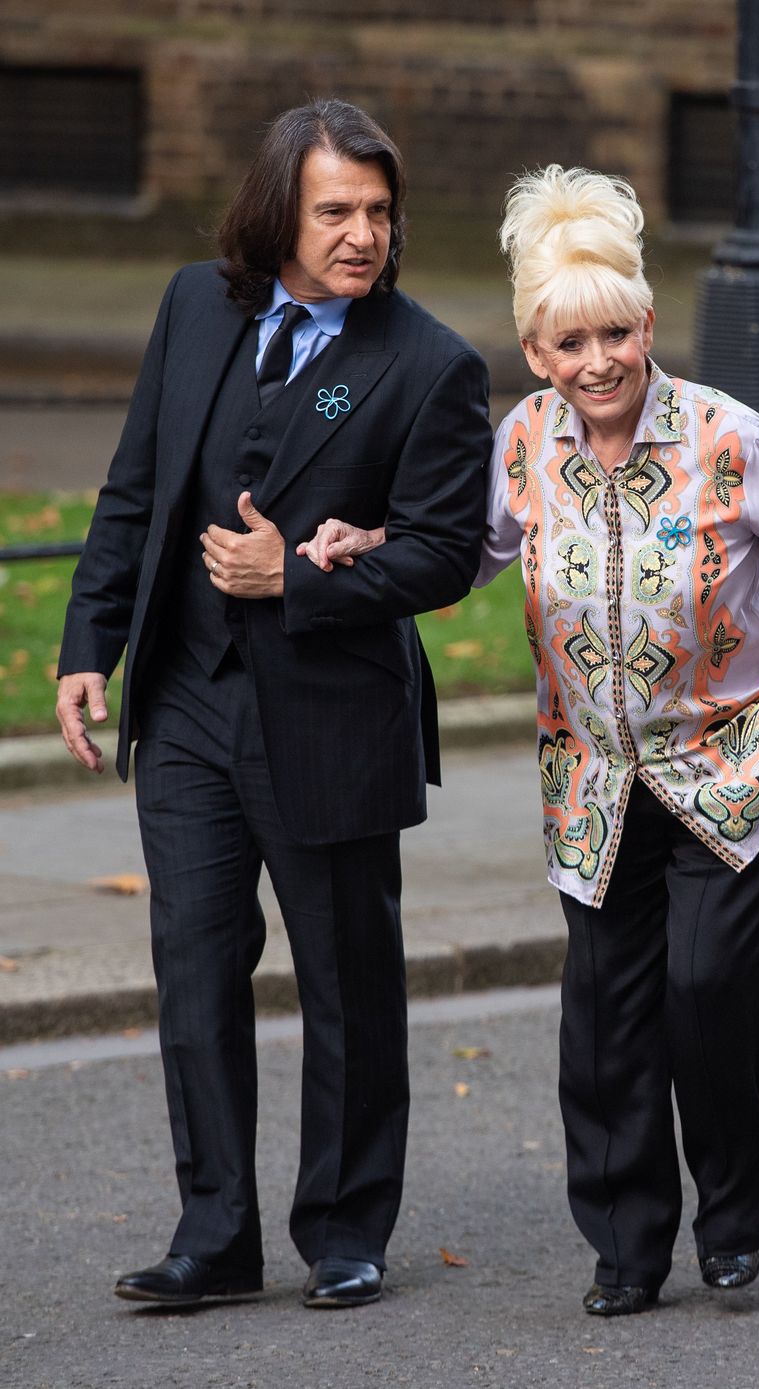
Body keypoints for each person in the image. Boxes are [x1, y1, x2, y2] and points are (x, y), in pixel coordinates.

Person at [305, 163, 759, 1315]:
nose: (596, 362)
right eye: (568, 345)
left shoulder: (730, 438)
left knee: (706, 991)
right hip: (594, 779)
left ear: (646, 325)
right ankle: (625, 1246)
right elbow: (462, 553)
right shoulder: (519, 444)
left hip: (731, 762)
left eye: (614, 333)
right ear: (535, 352)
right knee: (605, 1023)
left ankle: (728, 1220)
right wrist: (371, 546)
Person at [55, 99, 491, 1311]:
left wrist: (292, 573)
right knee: (193, 968)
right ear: (277, 213)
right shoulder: (198, 305)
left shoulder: (427, 363)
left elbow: (447, 555)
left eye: (377, 212)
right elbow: (136, 482)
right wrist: (89, 641)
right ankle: (215, 1234)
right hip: (187, 699)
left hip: (330, 712)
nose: (361, 235)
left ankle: (344, 1228)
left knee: (347, 981)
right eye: (333, 211)